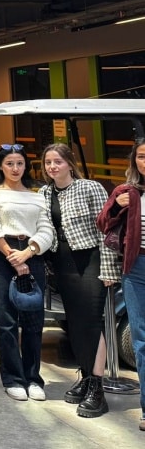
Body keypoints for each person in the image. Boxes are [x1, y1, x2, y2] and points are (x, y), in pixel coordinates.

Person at [42, 143, 113, 417]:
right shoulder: (45, 192)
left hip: (90, 261)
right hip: (63, 264)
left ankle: (98, 387)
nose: (52, 167)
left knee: (92, 323)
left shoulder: (89, 188)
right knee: (74, 323)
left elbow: (105, 230)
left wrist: (108, 270)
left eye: (57, 161)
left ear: (69, 163)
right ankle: (85, 377)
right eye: (48, 162)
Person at [0, 144, 54, 401]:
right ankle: (13, 378)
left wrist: (28, 252)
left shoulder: (37, 196)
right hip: (3, 256)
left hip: (32, 254)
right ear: (0, 166)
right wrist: (13, 256)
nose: (15, 168)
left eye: (20, 163)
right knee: (7, 320)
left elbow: (46, 229)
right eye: (10, 163)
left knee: (34, 321)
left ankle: (33, 378)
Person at [97, 139, 145, 433]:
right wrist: (116, 205)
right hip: (137, 269)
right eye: (141, 156)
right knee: (141, 340)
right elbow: (102, 223)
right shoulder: (127, 191)